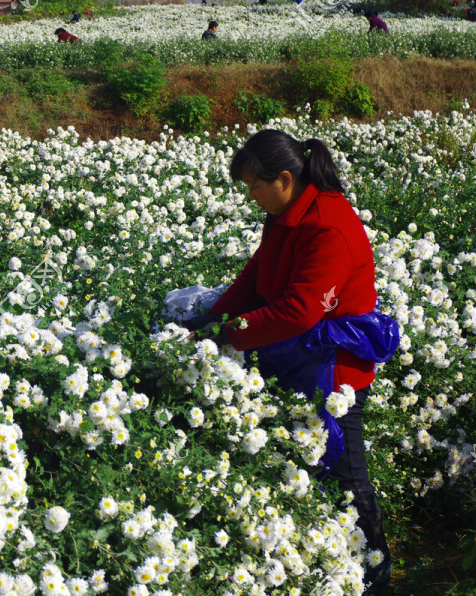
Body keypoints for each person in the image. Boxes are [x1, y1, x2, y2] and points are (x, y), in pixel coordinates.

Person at [184, 130, 396, 595]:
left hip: (334, 367)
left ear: (283, 178)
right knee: (305, 463)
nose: (250, 196)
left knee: (346, 471)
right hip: (294, 356)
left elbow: (301, 310)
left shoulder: (328, 225)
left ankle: (377, 570)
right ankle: (335, 564)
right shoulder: (283, 216)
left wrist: (229, 334)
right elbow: (256, 275)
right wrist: (213, 318)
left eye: (253, 186)